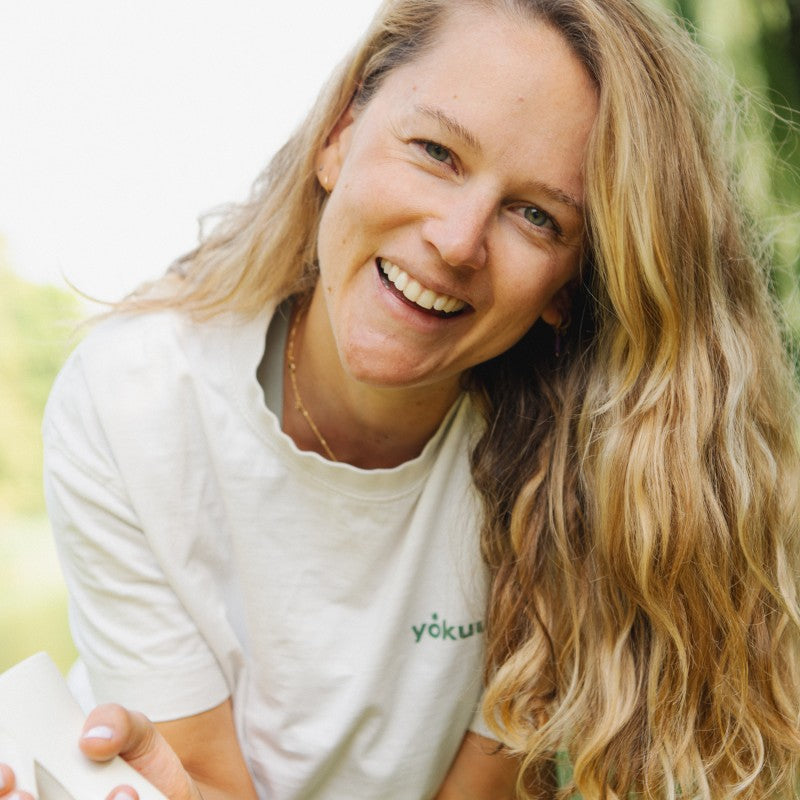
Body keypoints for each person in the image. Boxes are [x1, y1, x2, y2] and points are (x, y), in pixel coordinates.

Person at [2, 0, 799, 798]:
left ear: (570, 287)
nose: (457, 240)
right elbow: (201, 779)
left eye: (536, 216)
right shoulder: (132, 395)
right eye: (436, 151)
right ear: (338, 137)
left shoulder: (568, 474)